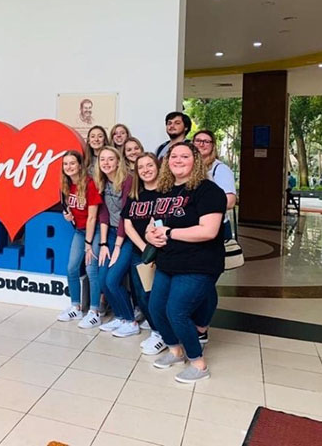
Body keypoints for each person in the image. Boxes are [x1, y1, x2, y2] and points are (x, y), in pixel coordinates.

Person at [145, 142, 226, 383]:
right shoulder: (164, 190)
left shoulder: (209, 191)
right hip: (167, 262)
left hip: (198, 264)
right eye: (173, 156)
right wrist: (151, 235)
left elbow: (209, 231)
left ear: (196, 161)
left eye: (184, 156)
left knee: (176, 312)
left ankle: (199, 364)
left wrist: (169, 233)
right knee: (156, 309)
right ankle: (175, 351)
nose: (178, 160)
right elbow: (152, 224)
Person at [123, 153, 165, 355]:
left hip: (162, 252)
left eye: (150, 165)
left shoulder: (166, 194)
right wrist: (143, 248)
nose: (146, 170)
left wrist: (152, 249)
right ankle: (157, 332)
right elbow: (128, 224)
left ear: (157, 167)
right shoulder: (135, 194)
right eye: (141, 167)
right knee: (141, 294)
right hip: (139, 253)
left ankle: (164, 333)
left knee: (158, 295)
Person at [56, 150, 102, 329]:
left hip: (95, 231)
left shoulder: (89, 184)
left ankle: (95, 311)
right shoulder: (65, 185)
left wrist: (89, 244)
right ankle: (75, 306)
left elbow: (92, 217)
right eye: (65, 164)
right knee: (71, 268)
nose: (69, 167)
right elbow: (69, 209)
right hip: (80, 231)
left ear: (80, 165)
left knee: (91, 270)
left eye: (72, 163)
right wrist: (67, 215)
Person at [96, 146, 138, 337]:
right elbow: (103, 213)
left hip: (128, 236)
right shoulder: (102, 181)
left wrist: (117, 247)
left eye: (110, 159)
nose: (106, 163)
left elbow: (125, 216)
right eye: (102, 159)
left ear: (118, 161)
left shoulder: (128, 180)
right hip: (110, 235)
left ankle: (131, 321)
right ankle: (120, 317)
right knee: (102, 280)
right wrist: (104, 244)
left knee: (113, 280)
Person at [193, 130, 237, 239]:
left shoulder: (220, 169)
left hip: (216, 227)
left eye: (206, 141)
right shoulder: (188, 167)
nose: (201, 144)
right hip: (194, 226)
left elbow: (230, 201)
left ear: (213, 146)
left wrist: (200, 207)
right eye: (198, 141)